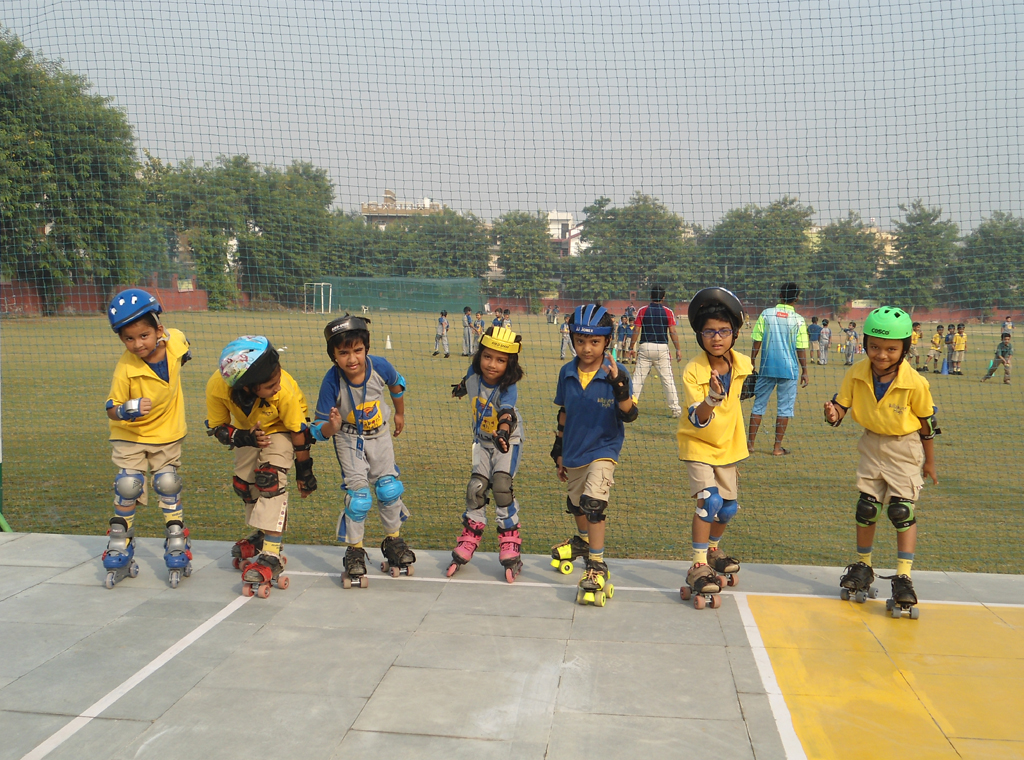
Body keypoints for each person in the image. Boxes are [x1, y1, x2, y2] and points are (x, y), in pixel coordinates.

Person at [825, 307, 940, 618]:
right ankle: (864, 566)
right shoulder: (856, 372)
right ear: (865, 344)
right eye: (874, 346)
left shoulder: (914, 382)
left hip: (905, 448)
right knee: (867, 508)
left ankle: (904, 577)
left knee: (902, 511)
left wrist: (929, 463)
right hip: (871, 444)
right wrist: (833, 413)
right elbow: (841, 404)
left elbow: (927, 425)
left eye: (891, 349)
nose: (882, 355)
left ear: (904, 349)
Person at [206, 336, 316, 597]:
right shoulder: (217, 387)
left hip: (282, 429)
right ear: (246, 387)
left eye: (277, 379)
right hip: (249, 430)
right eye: (269, 386)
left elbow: (298, 431)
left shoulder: (284, 391)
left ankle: (271, 553)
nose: (277, 387)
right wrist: (243, 438)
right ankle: (261, 535)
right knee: (244, 485)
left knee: (270, 480)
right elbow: (218, 428)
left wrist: (305, 472)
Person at [311, 315, 414, 586]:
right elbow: (318, 429)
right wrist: (331, 427)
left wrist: (400, 414)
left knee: (389, 489)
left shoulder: (379, 366)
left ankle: (394, 542)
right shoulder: (332, 381)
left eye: (357, 350)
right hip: (348, 439)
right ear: (333, 355)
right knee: (359, 498)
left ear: (366, 348)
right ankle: (355, 551)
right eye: (343, 353)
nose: (352, 359)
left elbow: (397, 384)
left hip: (380, 435)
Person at [102, 289, 193, 589]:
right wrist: (129, 409)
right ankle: (119, 543)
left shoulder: (175, 342)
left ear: (159, 331)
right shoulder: (125, 368)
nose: (137, 344)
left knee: (167, 483)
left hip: (167, 434)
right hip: (131, 436)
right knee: (128, 485)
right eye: (129, 339)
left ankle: (177, 540)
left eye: (144, 336)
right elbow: (110, 409)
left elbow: (183, 345)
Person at [550, 305, 638, 606]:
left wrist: (618, 385)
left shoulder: (617, 372)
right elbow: (564, 412)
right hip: (575, 450)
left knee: (594, 505)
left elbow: (630, 415)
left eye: (594, 342)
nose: (587, 348)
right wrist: (559, 449)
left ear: (607, 342)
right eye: (580, 341)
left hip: (604, 449)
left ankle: (596, 565)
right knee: (575, 506)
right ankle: (584, 541)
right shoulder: (567, 372)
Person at [677, 288, 753, 608]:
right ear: (700, 335)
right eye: (709, 331)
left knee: (729, 508)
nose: (717, 338)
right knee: (709, 501)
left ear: (734, 334)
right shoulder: (694, 370)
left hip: (728, 447)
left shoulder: (743, 365)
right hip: (697, 444)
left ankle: (712, 549)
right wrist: (711, 398)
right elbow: (697, 417)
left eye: (723, 331)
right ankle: (698, 563)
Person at [446, 326, 527, 583]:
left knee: (501, 484)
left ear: (509, 363)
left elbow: (506, 412)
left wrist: (503, 432)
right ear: (479, 355)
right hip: (481, 440)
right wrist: (460, 388)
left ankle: (510, 541)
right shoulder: (474, 373)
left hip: (507, 440)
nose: (492, 365)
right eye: (487, 357)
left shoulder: (508, 387)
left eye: (500, 360)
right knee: (476, 487)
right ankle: (470, 536)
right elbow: (468, 379)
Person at [747, 283, 810, 456]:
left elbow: (757, 340)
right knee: (784, 409)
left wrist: (752, 361)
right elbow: (801, 348)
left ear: (780, 295)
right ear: (796, 298)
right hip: (789, 370)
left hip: (767, 367)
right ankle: (776, 448)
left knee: (758, 405)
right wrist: (805, 370)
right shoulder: (798, 319)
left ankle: (750, 445)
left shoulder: (766, 314)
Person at [628, 284, 683, 418]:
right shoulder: (668, 311)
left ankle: (629, 407)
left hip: (645, 346)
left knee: (638, 379)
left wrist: (631, 347)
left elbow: (636, 329)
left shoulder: (642, 310)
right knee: (667, 379)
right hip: (662, 348)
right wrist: (678, 349)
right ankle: (675, 409)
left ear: (651, 296)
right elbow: (672, 331)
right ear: (663, 297)